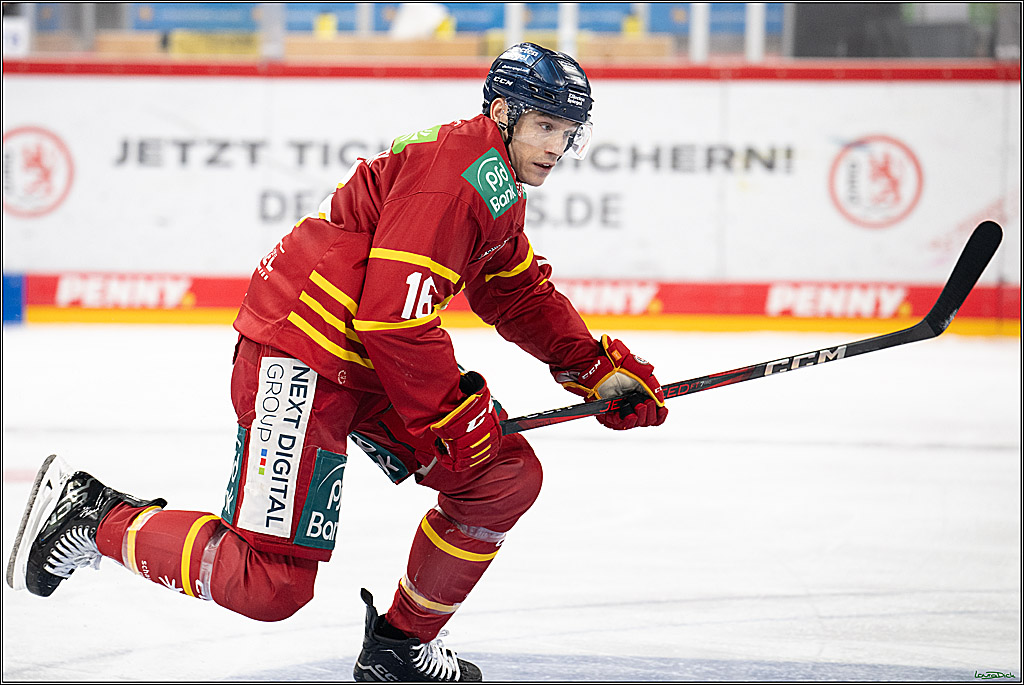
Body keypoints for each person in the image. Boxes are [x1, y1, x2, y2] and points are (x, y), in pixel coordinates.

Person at [6, 43, 668, 683]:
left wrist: (592, 367)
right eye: (546, 125)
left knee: (501, 475)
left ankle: (400, 644)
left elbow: (514, 289)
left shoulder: (492, 179)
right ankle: (94, 515)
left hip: (365, 359)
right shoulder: (459, 172)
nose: (556, 146)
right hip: (303, 354)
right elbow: (393, 315)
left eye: (568, 131)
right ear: (502, 113)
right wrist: (448, 412)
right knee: (269, 584)